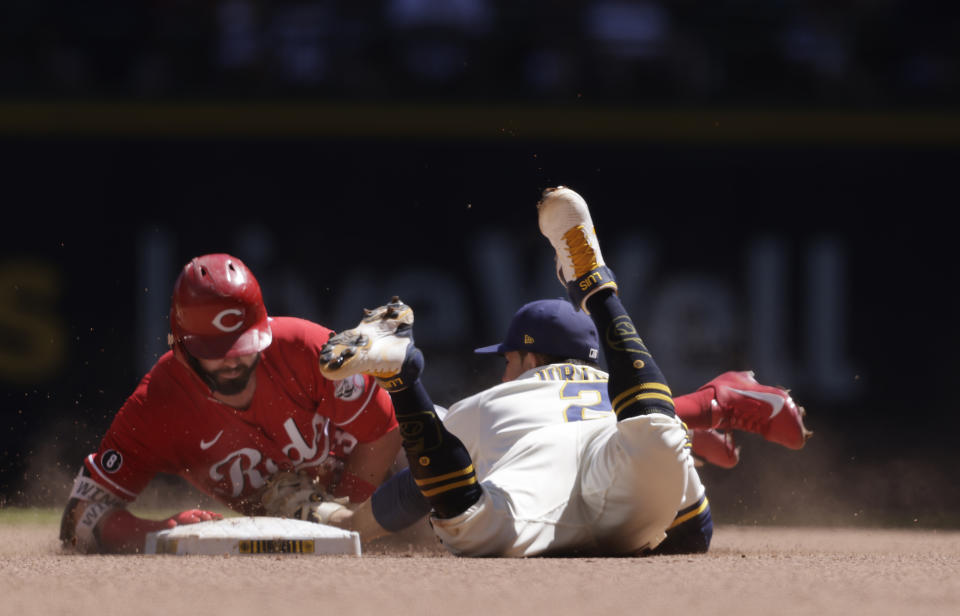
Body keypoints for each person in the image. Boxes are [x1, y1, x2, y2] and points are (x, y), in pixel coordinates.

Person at [317, 186, 811, 556]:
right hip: (621, 469)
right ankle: (597, 285)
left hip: (534, 510)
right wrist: (678, 442)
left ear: (530, 358)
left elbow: (412, 492)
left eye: (508, 357)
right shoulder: (609, 391)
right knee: (656, 432)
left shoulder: (492, 403)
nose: (505, 369)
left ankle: (405, 380)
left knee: (464, 521)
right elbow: (695, 533)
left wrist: (347, 523)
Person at [59, 253, 402, 554]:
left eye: (243, 344)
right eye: (216, 351)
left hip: (387, 478)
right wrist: (161, 531)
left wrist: (345, 517)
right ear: (182, 349)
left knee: (452, 453)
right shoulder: (157, 406)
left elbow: (386, 431)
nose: (233, 360)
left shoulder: (304, 347)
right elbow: (79, 519)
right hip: (336, 518)